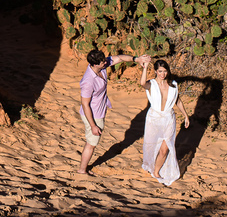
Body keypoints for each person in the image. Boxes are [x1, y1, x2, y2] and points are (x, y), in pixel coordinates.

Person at [78, 48, 134, 175]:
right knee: (91, 144)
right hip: (93, 115)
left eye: (104, 60)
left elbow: (119, 58)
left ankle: (83, 168)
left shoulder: (101, 67)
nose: (105, 63)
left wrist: (136, 59)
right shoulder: (88, 81)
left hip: (100, 111)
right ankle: (82, 170)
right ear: (94, 64)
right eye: (102, 62)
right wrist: (93, 125)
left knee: (92, 142)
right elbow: (85, 104)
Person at [139, 58, 190, 186]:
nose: (163, 74)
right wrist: (145, 67)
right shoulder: (151, 84)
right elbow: (142, 83)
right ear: (156, 71)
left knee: (165, 148)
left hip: (168, 118)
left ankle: (156, 171)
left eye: (165, 71)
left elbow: (177, 100)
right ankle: (151, 165)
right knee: (151, 145)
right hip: (154, 119)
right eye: (160, 71)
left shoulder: (173, 84)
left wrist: (185, 115)